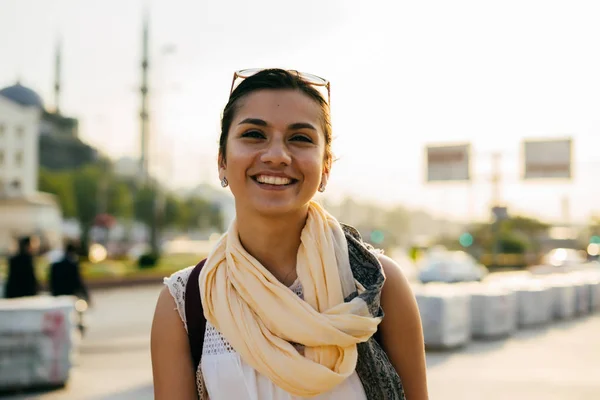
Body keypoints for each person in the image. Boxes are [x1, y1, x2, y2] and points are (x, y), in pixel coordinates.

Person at [151, 69, 428, 400]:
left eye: (300, 139)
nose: (277, 156)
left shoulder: (375, 286)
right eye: (254, 134)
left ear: (325, 168)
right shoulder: (187, 302)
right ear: (222, 161)